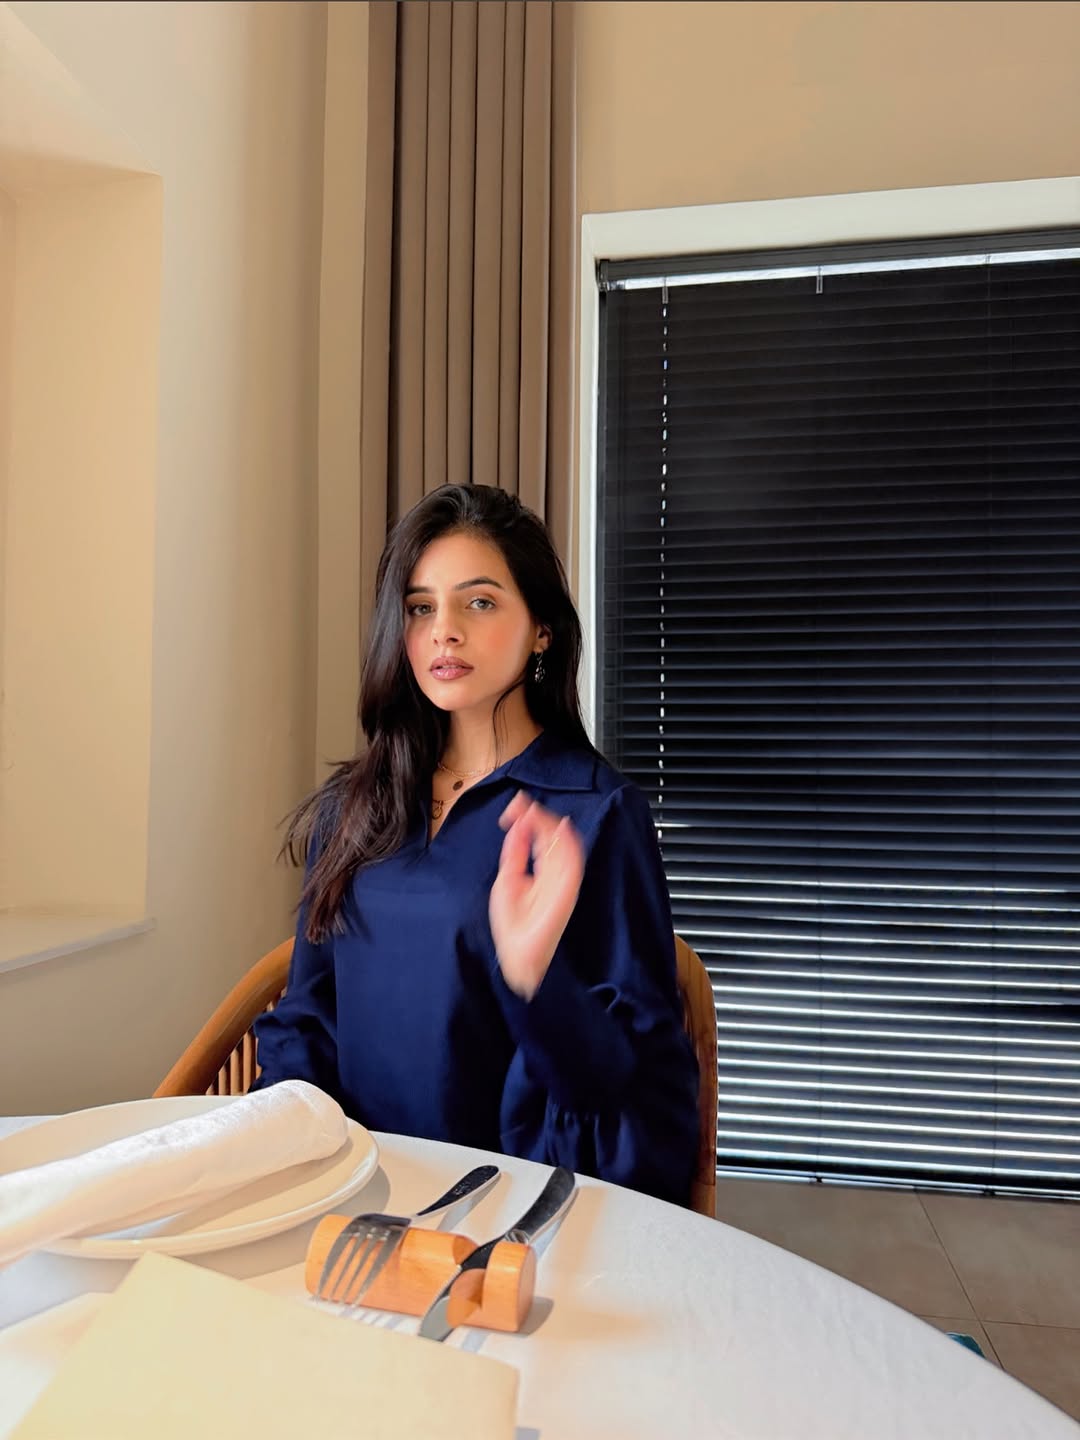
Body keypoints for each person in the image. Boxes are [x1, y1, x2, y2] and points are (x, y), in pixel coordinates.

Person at [252, 484, 699, 1205]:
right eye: (421, 607)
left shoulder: (596, 814)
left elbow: (634, 1094)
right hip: (353, 1194)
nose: (444, 631)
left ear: (542, 629)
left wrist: (534, 980)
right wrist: (286, 1173)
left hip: (509, 1209)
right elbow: (308, 1019)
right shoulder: (354, 806)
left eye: (479, 602)